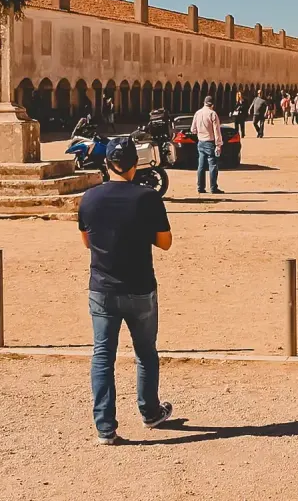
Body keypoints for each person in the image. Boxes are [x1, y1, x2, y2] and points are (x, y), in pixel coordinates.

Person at [78, 136, 173, 445]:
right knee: (145, 352)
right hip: (139, 287)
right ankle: (150, 412)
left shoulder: (89, 198)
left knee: (102, 355)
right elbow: (165, 242)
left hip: (102, 288)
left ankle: (105, 427)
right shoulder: (147, 198)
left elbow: (87, 241)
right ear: (136, 165)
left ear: (107, 164)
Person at [190, 95, 224, 194]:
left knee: (201, 165)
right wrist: (218, 144)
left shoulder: (198, 113)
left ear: (204, 103)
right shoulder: (213, 114)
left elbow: (193, 129)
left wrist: (200, 132)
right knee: (212, 165)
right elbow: (217, 130)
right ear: (212, 104)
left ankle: (200, 187)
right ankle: (213, 187)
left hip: (201, 142)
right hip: (210, 142)